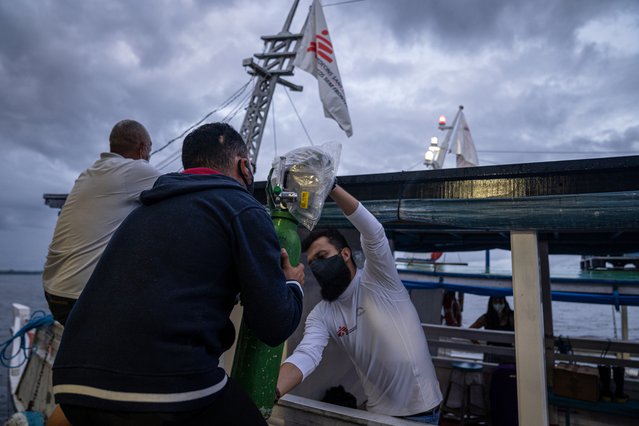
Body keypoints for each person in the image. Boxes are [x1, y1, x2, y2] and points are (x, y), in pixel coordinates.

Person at [51, 122, 305, 426]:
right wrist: (293, 284)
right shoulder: (243, 208)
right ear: (245, 166)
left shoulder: (142, 210)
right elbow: (273, 325)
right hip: (162, 390)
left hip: (72, 385)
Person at [277, 184, 442, 424]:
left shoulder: (378, 279)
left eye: (322, 257)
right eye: (312, 263)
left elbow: (374, 232)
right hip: (376, 414)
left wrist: (330, 186)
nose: (316, 267)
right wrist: (272, 391)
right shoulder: (321, 314)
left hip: (421, 413)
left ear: (345, 254)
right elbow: (306, 355)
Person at [43, 119, 161, 325]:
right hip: (80, 297)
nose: (149, 156)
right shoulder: (136, 170)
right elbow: (181, 191)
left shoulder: (88, 173)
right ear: (143, 148)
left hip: (54, 291)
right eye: (150, 149)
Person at [469, 295, 515, 364]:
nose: (498, 304)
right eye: (496, 302)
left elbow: (469, 332)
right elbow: (470, 331)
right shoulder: (511, 316)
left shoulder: (486, 318)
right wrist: (479, 345)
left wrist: (481, 346)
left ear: (505, 302)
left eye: (500, 301)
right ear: (491, 303)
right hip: (505, 353)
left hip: (493, 353)